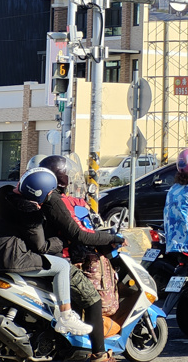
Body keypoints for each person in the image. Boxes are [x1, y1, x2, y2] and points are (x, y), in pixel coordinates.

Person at [0, 167, 93, 336]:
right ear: (40, 193)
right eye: (49, 192)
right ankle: (66, 316)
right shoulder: (29, 212)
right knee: (61, 266)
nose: (51, 195)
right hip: (10, 256)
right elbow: (41, 246)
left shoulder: (6, 198)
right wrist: (64, 241)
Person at [38, 155, 124, 362]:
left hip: (37, 256)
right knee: (92, 300)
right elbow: (80, 234)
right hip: (59, 259)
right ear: (61, 178)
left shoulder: (34, 197)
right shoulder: (56, 201)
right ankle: (100, 354)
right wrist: (112, 237)